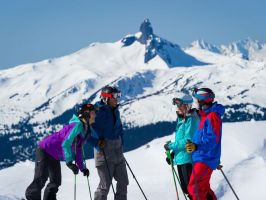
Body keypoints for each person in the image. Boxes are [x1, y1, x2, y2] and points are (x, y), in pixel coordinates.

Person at [25, 103, 96, 200]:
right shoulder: (77, 126)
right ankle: (31, 197)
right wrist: (69, 162)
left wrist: (82, 168)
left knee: (56, 181)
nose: (95, 114)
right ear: (86, 115)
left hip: (54, 155)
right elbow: (65, 143)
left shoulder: (85, 129)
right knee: (41, 177)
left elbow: (78, 149)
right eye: (93, 112)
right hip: (44, 150)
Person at [90, 85, 128, 200]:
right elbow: (84, 130)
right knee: (104, 186)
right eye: (115, 96)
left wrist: (121, 143)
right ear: (106, 98)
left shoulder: (116, 111)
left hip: (118, 152)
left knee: (123, 182)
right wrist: (96, 143)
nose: (118, 98)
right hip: (104, 153)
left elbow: (119, 128)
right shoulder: (97, 111)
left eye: (119, 95)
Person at [186, 88, 225, 200]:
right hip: (201, 156)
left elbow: (213, 140)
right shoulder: (205, 116)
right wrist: (193, 144)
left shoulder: (212, 116)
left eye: (198, 100)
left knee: (194, 188)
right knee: (202, 188)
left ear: (203, 101)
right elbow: (202, 136)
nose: (196, 103)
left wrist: (197, 146)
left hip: (206, 157)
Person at [164, 94, 199, 199]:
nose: (178, 107)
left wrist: (170, 146)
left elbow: (187, 140)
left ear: (187, 105)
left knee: (192, 190)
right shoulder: (182, 119)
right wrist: (173, 155)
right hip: (181, 159)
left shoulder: (191, 119)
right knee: (187, 190)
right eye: (177, 105)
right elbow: (180, 140)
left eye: (180, 105)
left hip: (188, 159)